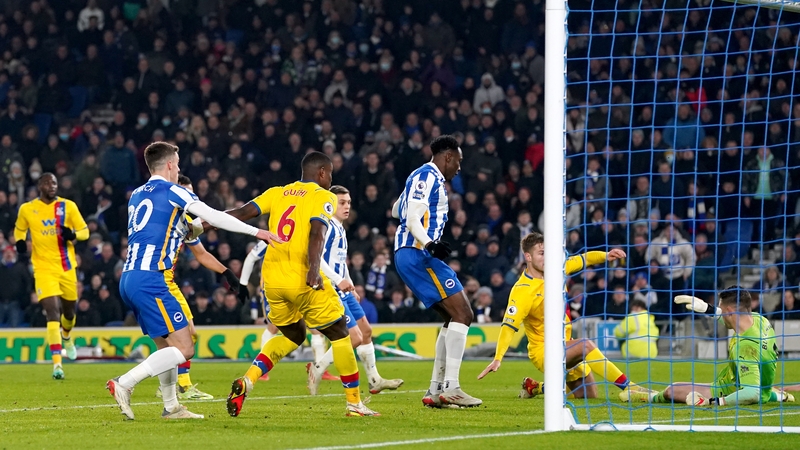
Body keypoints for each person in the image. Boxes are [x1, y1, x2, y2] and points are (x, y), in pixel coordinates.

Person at [105, 142, 278, 420]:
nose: (180, 168)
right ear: (171, 164)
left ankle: (171, 406)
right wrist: (257, 232)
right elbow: (215, 216)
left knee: (166, 347)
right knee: (185, 348)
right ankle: (124, 383)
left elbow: (178, 228)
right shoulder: (172, 190)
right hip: (152, 278)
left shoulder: (137, 195)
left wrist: (197, 234)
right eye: (179, 163)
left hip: (129, 277)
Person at [225, 151, 379, 417]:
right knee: (341, 332)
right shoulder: (323, 196)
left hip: (272, 281)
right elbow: (318, 232)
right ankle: (354, 403)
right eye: (329, 174)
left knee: (293, 335)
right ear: (321, 173)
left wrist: (205, 222)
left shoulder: (277, 192)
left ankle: (247, 381)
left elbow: (241, 212)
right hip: (302, 279)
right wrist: (314, 270)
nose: (330, 180)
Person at [477, 232, 655, 401]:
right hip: (543, 351)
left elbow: (582, 259)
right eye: (541, 253)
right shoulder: (523, 290)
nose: (547, 257)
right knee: (585, 345)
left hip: (566, 345)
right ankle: (629, 387)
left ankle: (536, 387)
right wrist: (498, 358)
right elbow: (509, 326)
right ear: (528, 257)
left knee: (589, 396)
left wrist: (606, 255)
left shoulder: (557, 269)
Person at [390, 134, 481, 408]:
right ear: (448, 157)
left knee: (452, 317)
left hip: (415, 254)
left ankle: (434, 391)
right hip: (417, 254)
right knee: (464, 313)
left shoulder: (422, 178)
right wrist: (429, 242)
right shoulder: (427, 175)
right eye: (459, 161)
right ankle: (451, 386)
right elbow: (411, 217)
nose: (459, 168)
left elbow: (397, 210)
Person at [153, 175, 246, 401]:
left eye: (191, 193)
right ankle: (181, 386)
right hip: (158, 282)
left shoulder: (184, 223)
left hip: (168, 283)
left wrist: (226, 272)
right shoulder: (165, 217)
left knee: (175, 339)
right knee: (184, 336)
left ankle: (169, 385)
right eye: (185, 192)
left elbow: (202, 254)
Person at [308, 185, 404, 395]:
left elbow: (340, 262)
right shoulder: (328, 227)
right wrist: (338, 281)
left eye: (349, 203)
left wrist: (350, 284)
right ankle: (317, 368)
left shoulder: (341, 228)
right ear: (330, 204)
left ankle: (375, 380)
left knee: (367, 332)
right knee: (354, 338)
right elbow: (315, 258)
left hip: (343, 288)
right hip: (331, 289)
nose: (347, 206)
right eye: (342, 202)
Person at [626, 288, 796, 406]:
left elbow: (752, 394)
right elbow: (729, 316)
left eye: (722, 310)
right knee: (761, 390)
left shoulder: (745, 348)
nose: (720, 313)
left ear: (730, 311)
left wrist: (713, 402)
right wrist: (706, 308)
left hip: (729, 390)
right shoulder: (760, 320)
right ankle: (776, 394)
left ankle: (650, 397)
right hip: (762, 385)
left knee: (672, 390)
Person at [14, 173, 89, 379]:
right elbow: (19, 229)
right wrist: (20, 242)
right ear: (39, 185)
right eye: (47, 182)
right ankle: (57, 365)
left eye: (54, 183)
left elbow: (85, 231)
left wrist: (72, 235)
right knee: (52, 312)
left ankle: (67, 336)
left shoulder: (68, 207)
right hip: (43, 268)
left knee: (69, 313)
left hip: (66, 267)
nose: (52, 185)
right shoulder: (28, 209)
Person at [239, 240, 338, 382]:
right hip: (273, 287)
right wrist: (243, 284)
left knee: (316, 328)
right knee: (273, 326)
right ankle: (262, 370)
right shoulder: (270, 237)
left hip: (298, 285)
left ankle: (320, 369)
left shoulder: (300, 235)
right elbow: (251, 257)